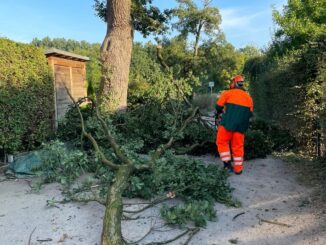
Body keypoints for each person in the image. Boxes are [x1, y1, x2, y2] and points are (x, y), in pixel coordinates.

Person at [215, 75, 253, 175]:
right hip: (240, 127)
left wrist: (221, 112)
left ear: (234, 83)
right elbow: (250, 114)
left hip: (227, 124)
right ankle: (238, 169)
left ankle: (227, 165)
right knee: (238, 147)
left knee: (221, 142)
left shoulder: (227, 93)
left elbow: (218, 107)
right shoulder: (248, 97)